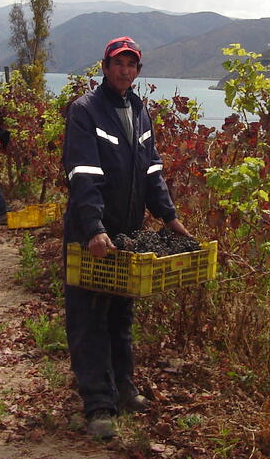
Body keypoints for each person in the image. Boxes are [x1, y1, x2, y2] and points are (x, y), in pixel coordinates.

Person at [62, 36, 191, 439]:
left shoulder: (138, 110)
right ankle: (98, 404)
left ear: (138, 71)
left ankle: (124, 390)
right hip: (90, 233)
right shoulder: (85, 111)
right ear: (104, 67)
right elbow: (83, 175)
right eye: (119, 63)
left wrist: (170, 218)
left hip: (129, 234)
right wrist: (95, 229)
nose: (125, 70)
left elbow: (152, 170)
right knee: (88, 318)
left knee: (121, 315)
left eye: (132, 65)